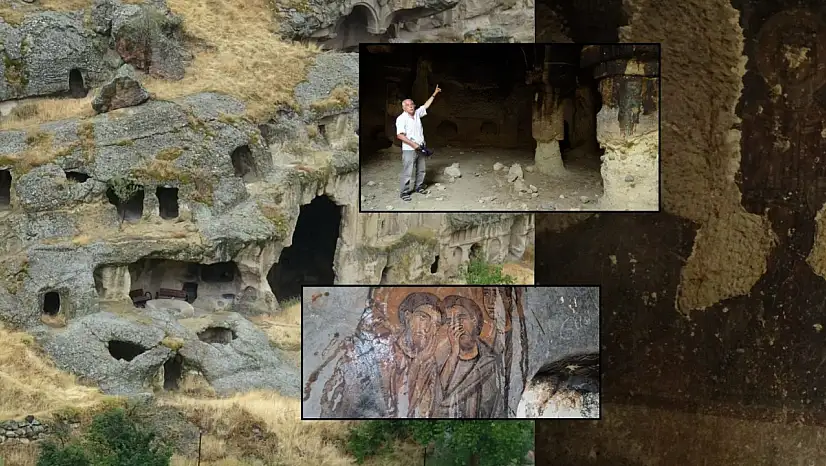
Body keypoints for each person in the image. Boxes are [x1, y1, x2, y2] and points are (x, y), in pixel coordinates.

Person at [435, 295, 505, 418]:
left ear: (474, 320)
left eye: (461, 318)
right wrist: (454, 354)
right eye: (450, 321)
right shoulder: (441, 362)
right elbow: (435, 400)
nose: (457, 326)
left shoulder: (491, 363)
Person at [395, 85, 441, 202]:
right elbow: (400, 135)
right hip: (409, 150)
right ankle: (404, 192)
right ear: (404, 107)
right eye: (408, 105)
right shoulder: (401, 119)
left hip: (421, 147)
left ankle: (419, 187)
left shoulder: (416, 114)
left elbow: (426, 105)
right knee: (408, 172)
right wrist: (413, 144)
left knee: (421, 169)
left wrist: (434, 93)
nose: (411, 107)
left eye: (412, 105)